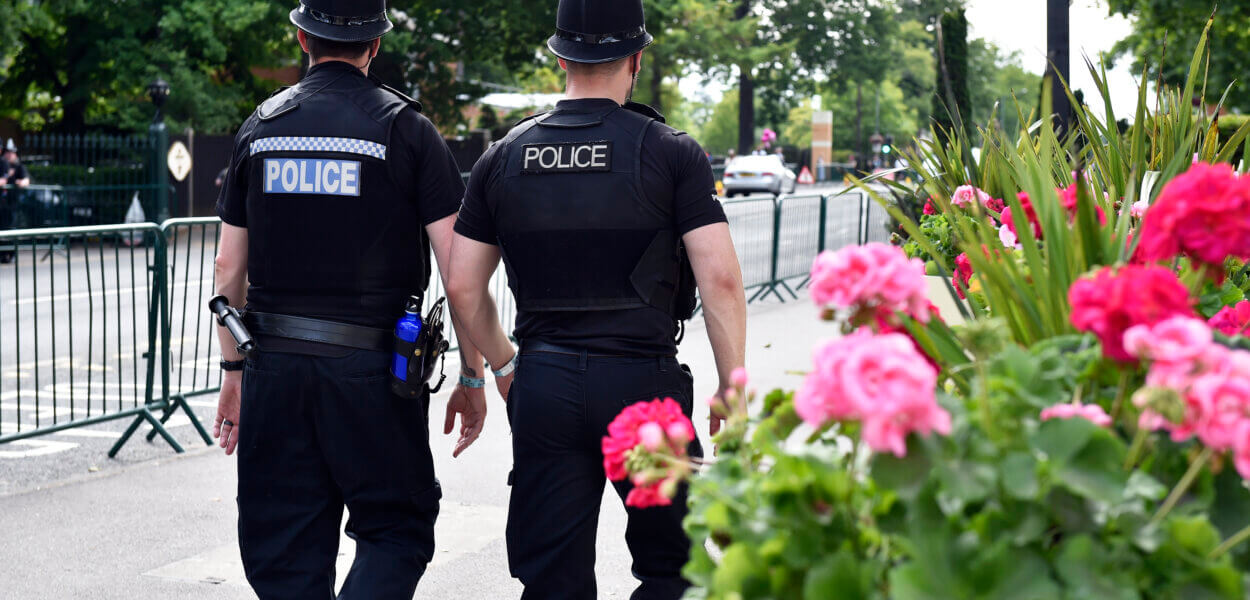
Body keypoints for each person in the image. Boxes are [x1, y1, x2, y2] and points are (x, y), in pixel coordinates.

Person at [446, 0, 747, 597]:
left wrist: (505, 364)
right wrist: (731, 386)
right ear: (636, 57)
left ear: (560, 57)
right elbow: (721, 282)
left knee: (552, 577)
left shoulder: (503, 156)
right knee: (673, 569)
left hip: (546, 384)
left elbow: (461, 283)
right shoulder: (672, 153)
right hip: (643, 388)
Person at [211, 1, 509, 598]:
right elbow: (459, 274)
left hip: (275, 365)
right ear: (375, 45)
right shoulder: (408, 130)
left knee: (283, 544)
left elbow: (226, 269)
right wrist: (474, 375)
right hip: (374, 374)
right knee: (396, 529)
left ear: (302, 38)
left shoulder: (260, 128)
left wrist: (234, 371)